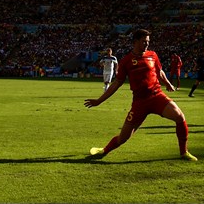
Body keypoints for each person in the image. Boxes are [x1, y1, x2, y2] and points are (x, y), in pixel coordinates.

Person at [84, 28, 196, 161]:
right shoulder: (126, 61)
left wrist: (167, 83)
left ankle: (183, 152)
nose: (147, 44)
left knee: (179, 116)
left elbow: (159, 71)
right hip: (140, 102)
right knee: (123, 138)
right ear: (135, 41)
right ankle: (104, 150)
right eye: (144, 41)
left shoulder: (152, 55)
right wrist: (99, 100)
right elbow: (117, 83)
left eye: (148, 41)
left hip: (157, 96)